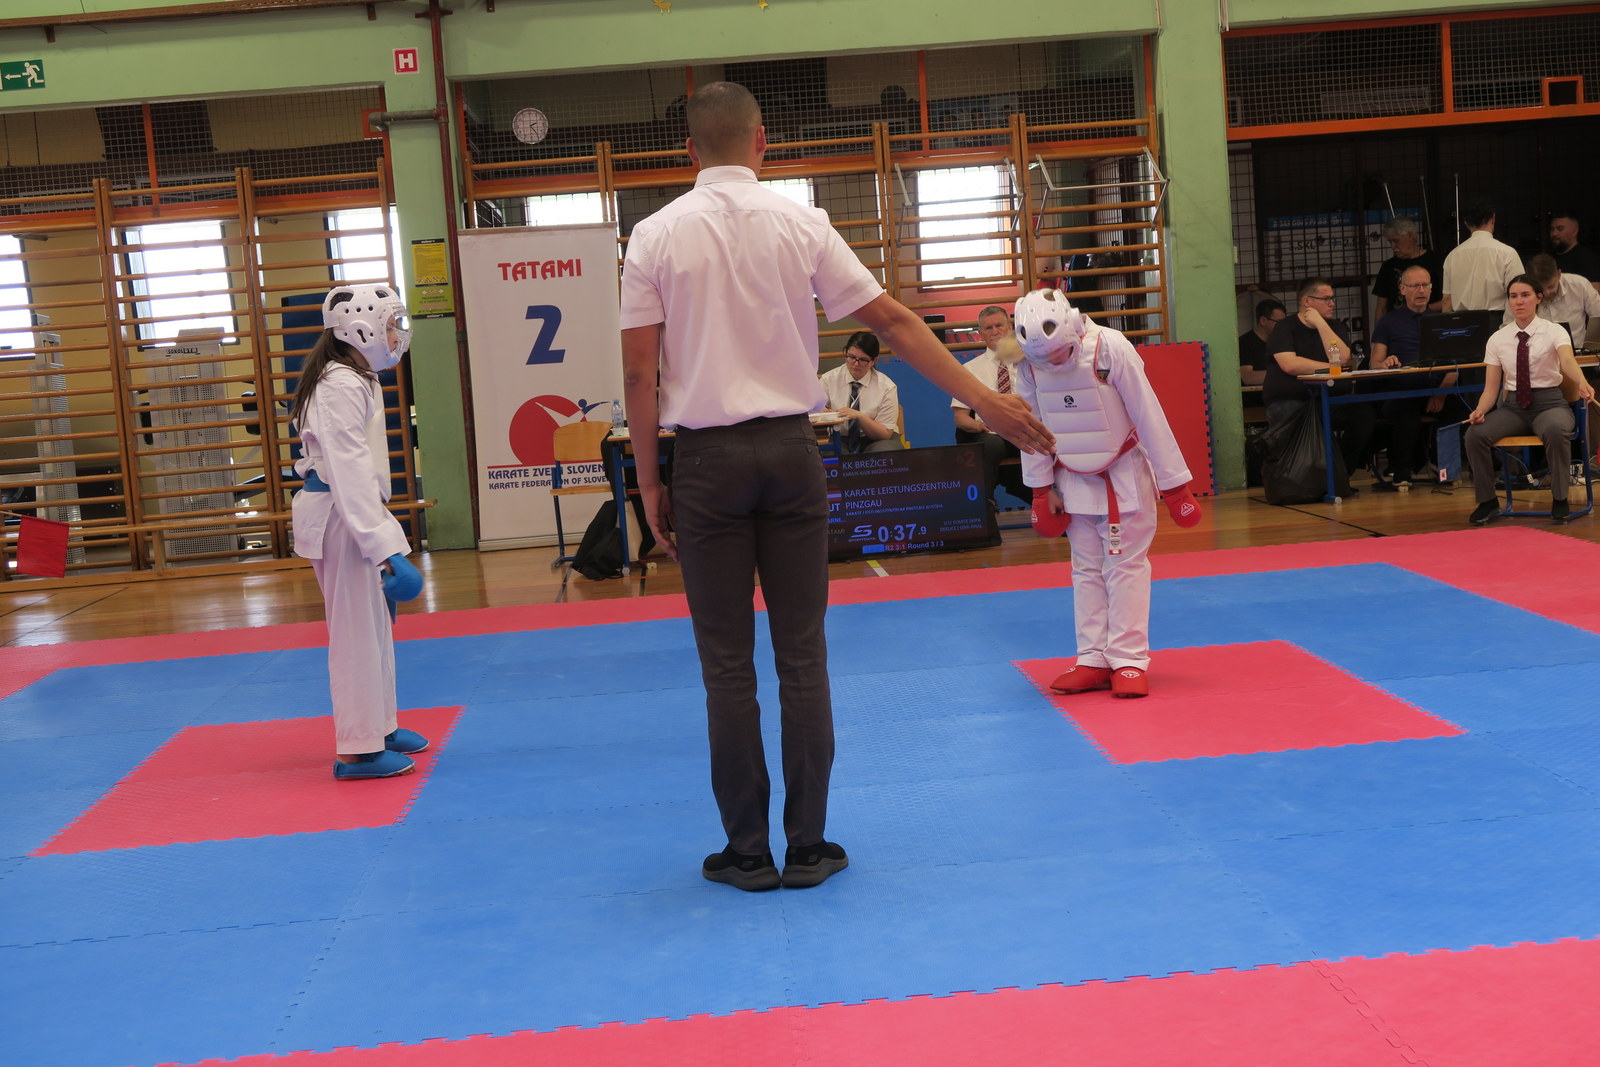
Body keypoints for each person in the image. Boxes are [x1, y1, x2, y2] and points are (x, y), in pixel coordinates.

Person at [618, 82, 1053, 893]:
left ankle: (747, 850)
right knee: (802, 656)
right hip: (792, 450)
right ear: (762, 142)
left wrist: (649, 479)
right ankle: (808, 845)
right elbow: (895, 323)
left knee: (726, 667)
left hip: (706, 461)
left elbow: (640, 371)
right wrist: (985, 397)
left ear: (688, 152)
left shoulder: (654, 234)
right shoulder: (802, 222)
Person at [1012, 288, 1202, 699]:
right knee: (1085, 570)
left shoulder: (1108, 349)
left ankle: (1129, 660)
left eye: (1058, 353)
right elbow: (1031, 431)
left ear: (1072, 328)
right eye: (1043, 357)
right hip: (1072, 478)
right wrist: (1041, 490)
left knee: (1125, 568)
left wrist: (1175, 486)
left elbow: (1148, 414)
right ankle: (1093, 658)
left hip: (1123, 476)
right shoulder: (1026, 367)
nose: (1052, 362)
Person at [290, 284, 427, 780]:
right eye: (390, 326)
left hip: (353, 512)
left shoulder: (356, 378)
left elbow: (362, 475)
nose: (396, 336)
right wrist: (385, 549)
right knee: (355, 637)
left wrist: (384, 540)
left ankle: (379, 728)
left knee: (375, 631)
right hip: (339, 516)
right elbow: (346, 472)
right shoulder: (338, 385)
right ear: (360, 329)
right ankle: (356, 751)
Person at [1464, 275, 1595, 526]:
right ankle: (1488, 501)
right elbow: (1491, 388)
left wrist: (1581, 381)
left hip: (1550, 403)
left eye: (1525, 295)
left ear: (1538, 298)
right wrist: (1480, 410)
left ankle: (1560, 498)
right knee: (1474, 434)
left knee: (1555, 430)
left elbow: (1568, 361)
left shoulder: (1554, 331)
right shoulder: (1498, 338)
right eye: (1513, 296)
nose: (1519, 301)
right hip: (1513, 407)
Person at [1263, 278, 1376, 489]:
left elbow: (1340, 357)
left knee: (1364, 415)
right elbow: (1290, 364)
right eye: (1326, 299)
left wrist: (1321, 324)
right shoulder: (1285, 328)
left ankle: (1341, 474)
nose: (1332, 303)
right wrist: (1329, 367)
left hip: (1330, 398)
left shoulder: (1334, 327)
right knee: (1298, 417)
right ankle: (1300, 483)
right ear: (1307, 301)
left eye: (1332, 298)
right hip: (1291, 400)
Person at [1370, 265, 1455, 485]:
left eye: (1425, 285)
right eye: (1415, 285)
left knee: (1462, 410)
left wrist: (1441, 394)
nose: (1421, 290)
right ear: (1402, 289)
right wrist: (1386, 364)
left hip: (1436, 389)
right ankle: (1402, 472)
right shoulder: (1388, 322)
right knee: (1405, 414)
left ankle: (1448, 470)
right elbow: (1374, 364)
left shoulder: (1441, 321)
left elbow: (1455, 365)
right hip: (1401, 391)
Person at [952, 305, 1032, 507]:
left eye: (999, 325)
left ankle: (1051, 501)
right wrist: (980, 426)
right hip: (990, 434)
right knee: (991, 444)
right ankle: (984, 505)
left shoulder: (1029, 363)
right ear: (981, 334)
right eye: (988, 328)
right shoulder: (969, 369)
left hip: (1026, 431)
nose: (995, 331)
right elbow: (960, 418)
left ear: (1010, 328)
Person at [819, 330, 903, 452]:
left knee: (885, 451)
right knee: (831, 454)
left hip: (877, 439)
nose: (855, 364)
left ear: (873, 361)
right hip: (841, 437)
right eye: (851, 357)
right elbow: (816, 412)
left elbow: (885, 434)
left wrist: (859, 416)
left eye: (863, 360)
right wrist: (824, 413)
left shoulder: (887, 387)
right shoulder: (828, 380)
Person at [1441, 199, 1523, 313]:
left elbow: (1447, 301)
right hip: (1497, 320)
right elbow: (1519, 293)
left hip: (1462, 321)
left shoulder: (1452, 256)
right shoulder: (1508, 253)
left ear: (1466, 223)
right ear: (1493, 219)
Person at [1520, 253, 1600, 349]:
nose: (1546, 293)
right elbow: (1510, 327)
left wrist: (1592, 349)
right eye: (1541, 289)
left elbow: (1598, 317)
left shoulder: (1579, 285)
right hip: (1536, 352)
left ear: (1558, 274)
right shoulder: (1520, 293)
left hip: (1578, 351)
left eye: (1551, 286)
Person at [1370, 217, 1444, 320]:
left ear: (1410, 235)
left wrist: (1424, 309)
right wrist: (1379, 329)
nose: (1393, 246)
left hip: (1431, 322)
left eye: (1396, 241)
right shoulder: (1388, 266)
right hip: (1398, 325)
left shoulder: (1436, 260)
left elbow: (1450, 300)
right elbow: (1381, 307)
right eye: (1390, 242)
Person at [1238, 297, 1287, 388]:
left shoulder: (1280, 341)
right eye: (1279, 322)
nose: (1283, 326)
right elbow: (1247, 377)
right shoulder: (1244, 342)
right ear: (1263, 321)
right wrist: (1284, 372)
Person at [1548, 210, 1600, 286]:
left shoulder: (1586, 258)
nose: (1554, 233)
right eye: (1552, 229)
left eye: (1560, 229)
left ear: (1574, 231)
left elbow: (1595, 289)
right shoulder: (1548, 258)